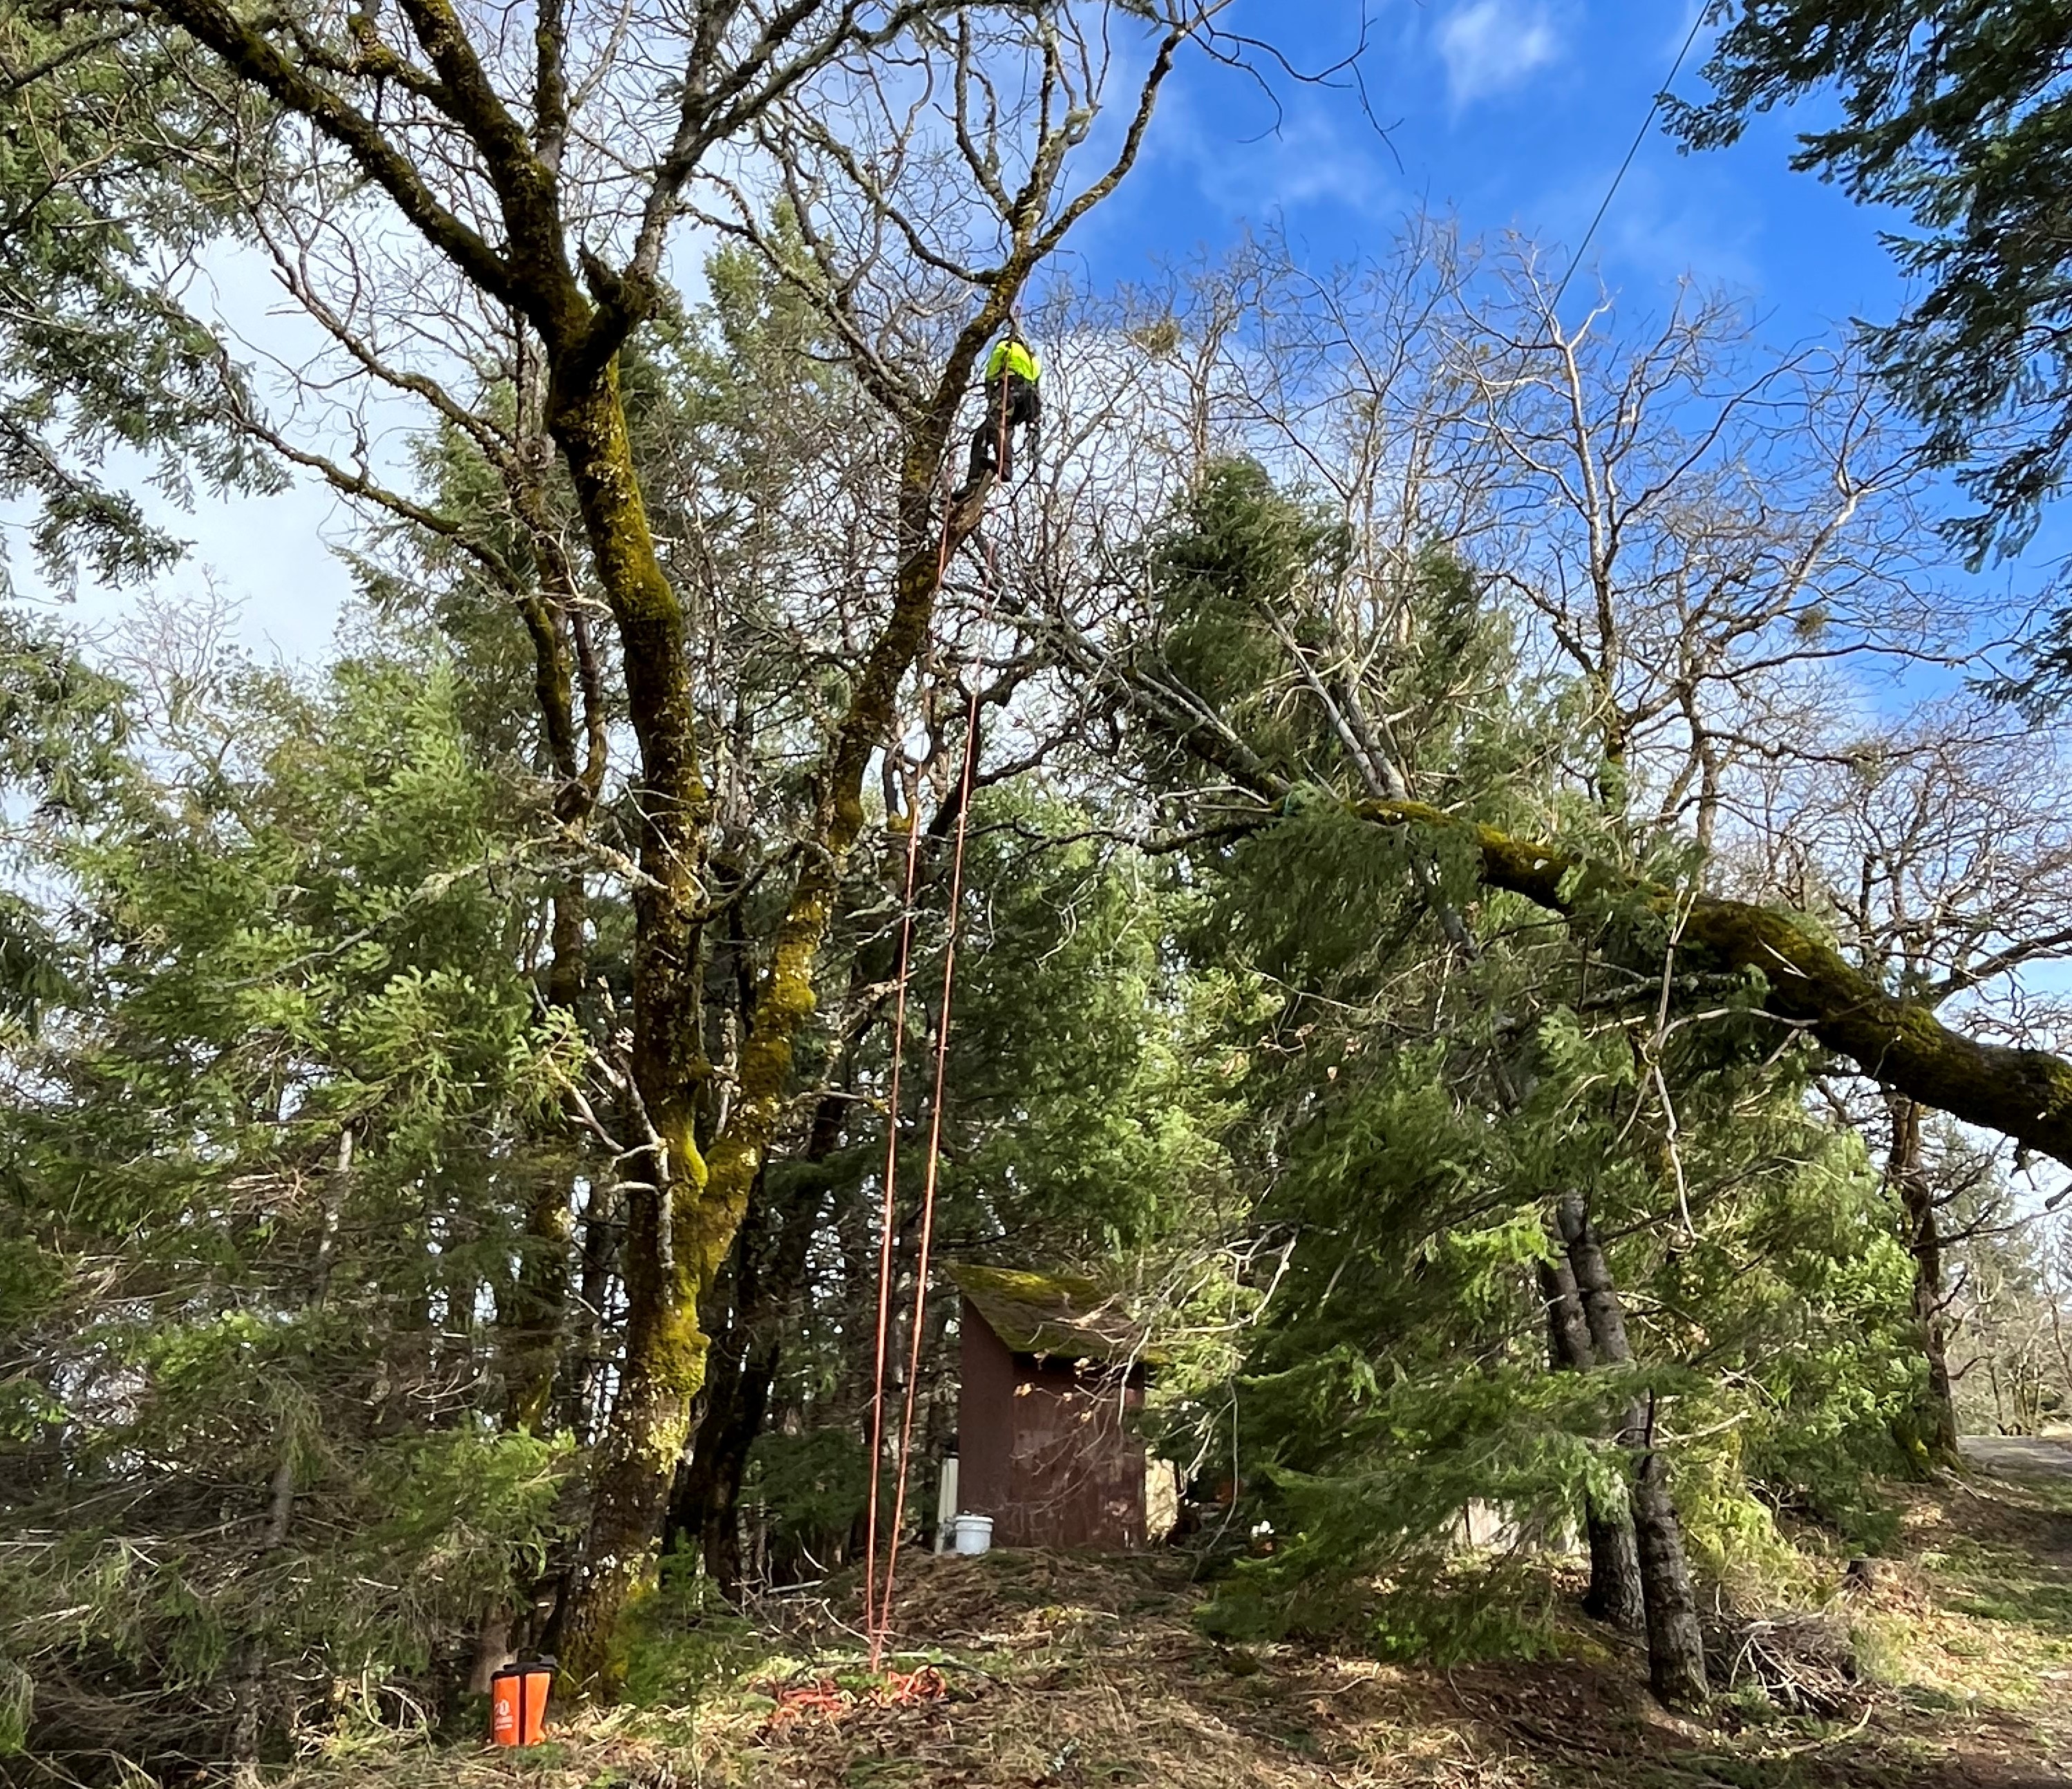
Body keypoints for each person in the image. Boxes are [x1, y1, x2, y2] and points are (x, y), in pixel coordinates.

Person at [961, 329, 1040, 494]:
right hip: (1026, 401)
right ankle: (976, 481)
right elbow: (1035, 379)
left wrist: (990, 389)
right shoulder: (1033, 358)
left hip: (1009, 389)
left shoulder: (1005, 346)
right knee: (989, 433)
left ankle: (1001, 466)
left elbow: (991, 371)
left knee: (996, 426)